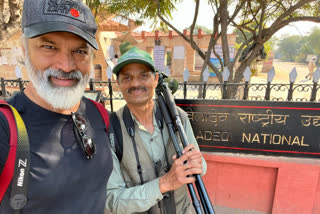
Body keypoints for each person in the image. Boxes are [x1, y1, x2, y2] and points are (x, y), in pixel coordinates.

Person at [0, 0, 113, 213]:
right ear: (23, 50)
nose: (66, 65)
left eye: (80, 51)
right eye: (49, 47)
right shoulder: (5, 129)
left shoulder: (100, 116)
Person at [105, 47, 207, 214]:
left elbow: (201, 166)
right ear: (118, 84)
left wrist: (196, 164)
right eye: (127, 77)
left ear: (155, 79)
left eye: (143, 75)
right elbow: (112, 201)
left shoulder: (177, 117)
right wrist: (164, 183)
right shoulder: (112, 127)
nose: (135, 83)